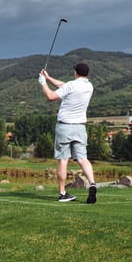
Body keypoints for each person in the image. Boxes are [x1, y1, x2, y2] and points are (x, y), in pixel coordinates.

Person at [39, 62, 98, 203]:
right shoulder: (89, 86)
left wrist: (43, 83)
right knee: (83, 159)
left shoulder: (71, 85)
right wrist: (48, 77)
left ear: (75, 73)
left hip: (65, 127)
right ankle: (92, 183)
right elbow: (63, 86)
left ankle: (62, 193)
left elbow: (51, 96)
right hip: (80, 128)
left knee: (63, 160)